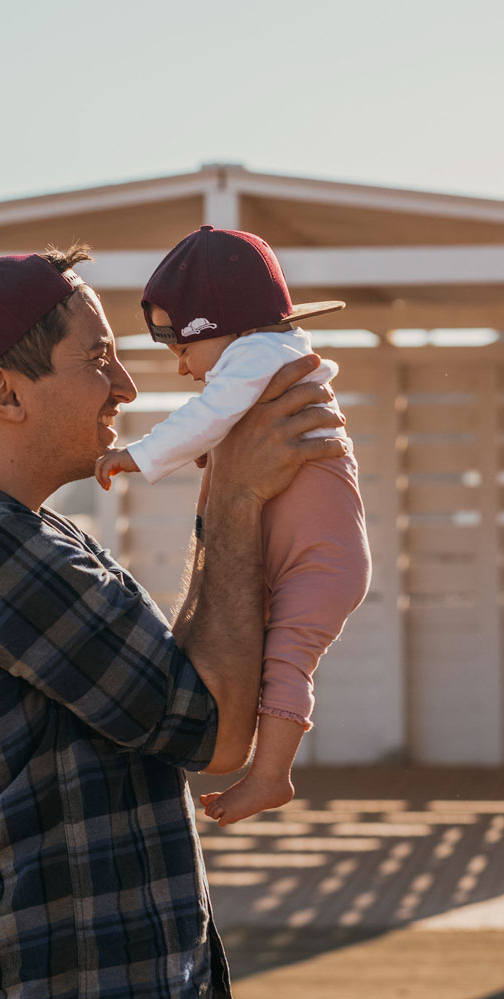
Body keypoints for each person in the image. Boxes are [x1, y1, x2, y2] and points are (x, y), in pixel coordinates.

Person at [0, 245, 350, 999]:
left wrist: (232, 482)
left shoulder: (10, 536)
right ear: (5, 393)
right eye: (99, 358)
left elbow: (182, 691)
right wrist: (235, 492)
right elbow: (218, 732)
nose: (127, 387)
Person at [95, 227, 372, 826]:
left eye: (176, 340)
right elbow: (223, 428)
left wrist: (137, 455)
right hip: (311, 547)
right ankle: (268, 770)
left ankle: (272, 775)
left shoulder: (255, 355)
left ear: (216, 322)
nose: (179, 364)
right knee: (275, 653)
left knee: (286, 657)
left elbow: (209, 415)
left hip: (318, 555)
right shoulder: (267, 355)